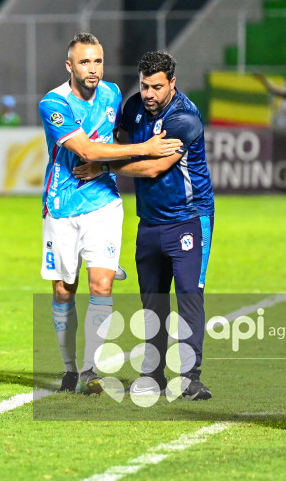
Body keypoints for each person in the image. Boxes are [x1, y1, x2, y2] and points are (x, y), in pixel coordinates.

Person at [39, 34, 182, 395]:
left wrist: (121, 159)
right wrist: (145, 149)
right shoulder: (54, 103)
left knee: (100, 285)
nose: (93, 69)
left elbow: (118, 136)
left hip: (103, 202)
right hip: (61, 206)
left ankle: (89, 370)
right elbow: (86, 149)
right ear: (69, 66)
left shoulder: (113, 94)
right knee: (63, 290)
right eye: (85, 62)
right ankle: (69, 368)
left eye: (98, 61)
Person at [75, 51, 215, 401]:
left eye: (157, 87)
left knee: (189, 297)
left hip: (189, 218)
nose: (149, 94)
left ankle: (191, 378)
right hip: (149, 221)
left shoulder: (184, 118)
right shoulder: (134, 106)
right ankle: (153, 373)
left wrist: (104, 167)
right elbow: (119, 144)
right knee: (152, 302)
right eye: (144, 86)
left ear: (172, 83)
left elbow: (154, 167)